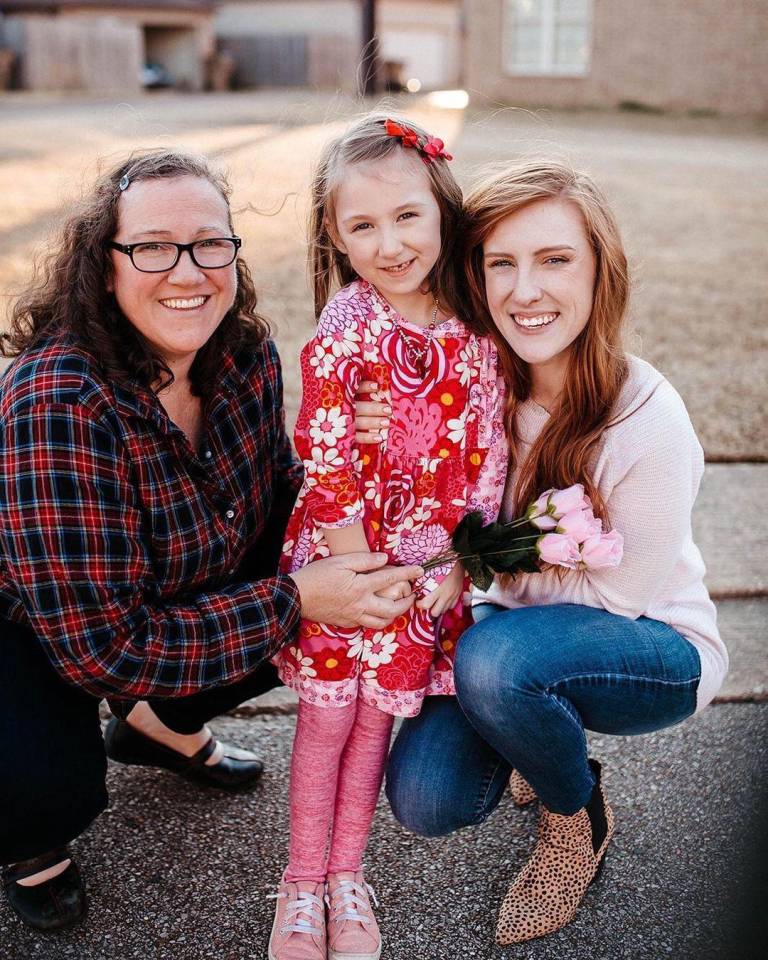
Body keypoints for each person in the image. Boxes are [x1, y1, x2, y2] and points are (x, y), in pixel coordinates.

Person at [0, 149, 422, 933]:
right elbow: (100, 648)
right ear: (105, 264)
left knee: (337, 581)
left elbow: (279, 493)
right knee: (43, 788)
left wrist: (363, 462)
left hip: (165, 586)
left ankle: (155, 726)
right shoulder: (59, 400)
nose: (187, 271)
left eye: (210, 243)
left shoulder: (245, 354)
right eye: (154, 246)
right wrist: (295, 597)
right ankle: (29, 843)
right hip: (35, 626)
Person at [356, 160, 729, 944]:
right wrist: (379, 433)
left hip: (650, 648)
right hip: (509, 642)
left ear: (599, 272)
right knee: (427, 798)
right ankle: (533, 727)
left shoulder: (647, 418)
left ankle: (576, 817)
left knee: (497, 662)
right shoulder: (476, 390)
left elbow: (617, 597)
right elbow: (417, 507)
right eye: (502, 263)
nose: (526, 291)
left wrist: (490, 559)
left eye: (554, 260)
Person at [267, 116, 507, 960]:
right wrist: (354, 563)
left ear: (443, 208)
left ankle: (345, 875)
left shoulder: (480, 331)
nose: (389, 243)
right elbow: (323, 449)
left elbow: (491, 458)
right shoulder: (348, 321)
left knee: (374, 729)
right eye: (360, 226)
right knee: (326, 726)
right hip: (344, 563)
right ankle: (299, 885)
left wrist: (459, 566)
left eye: (406, 216)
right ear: (333, 236)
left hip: (422, 576)